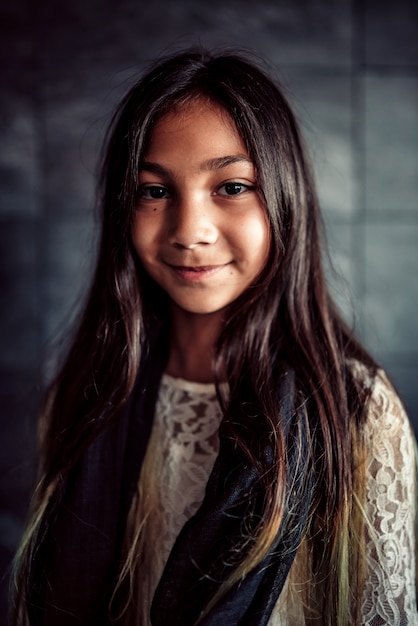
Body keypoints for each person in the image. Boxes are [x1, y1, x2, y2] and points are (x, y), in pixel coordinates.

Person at [11, 47, 417, 626]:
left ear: (284, 198)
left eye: (230, 187)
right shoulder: (83, 398)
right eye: (154, 191)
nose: (190, 231)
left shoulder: (354, 413)